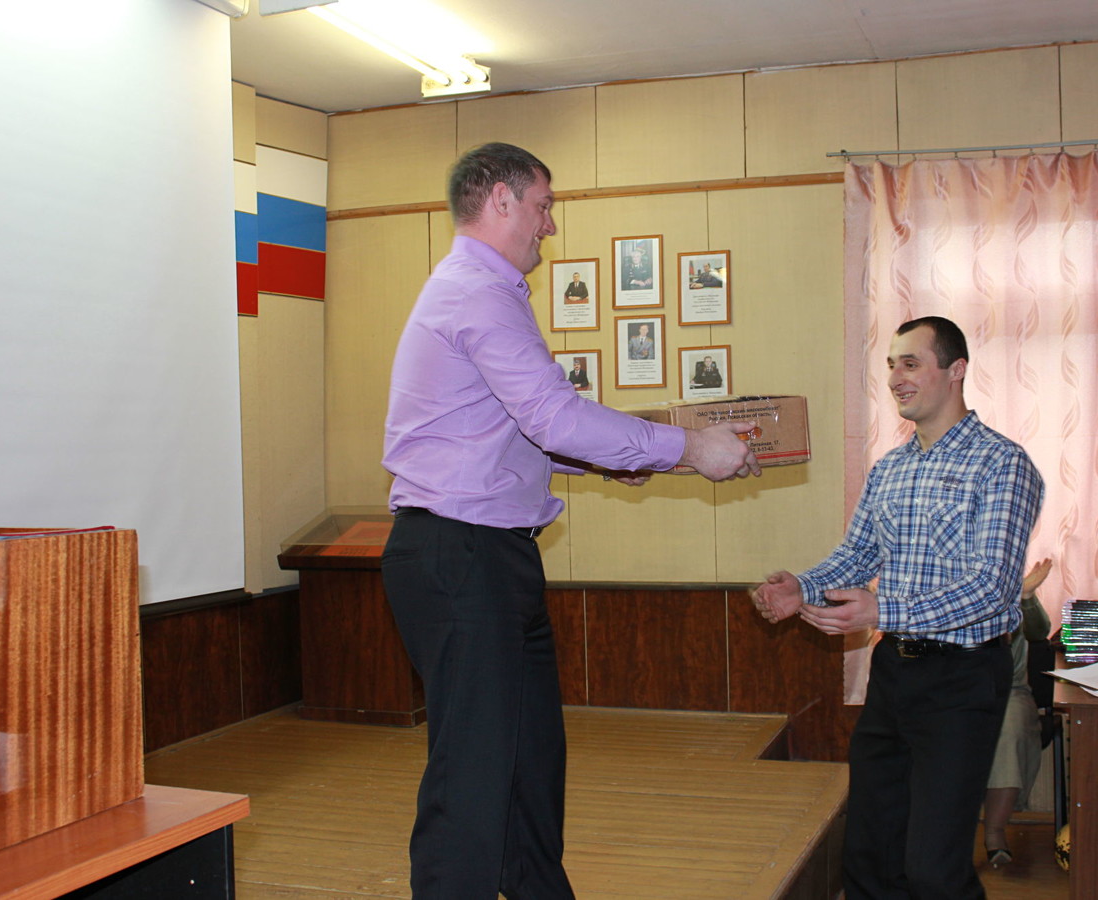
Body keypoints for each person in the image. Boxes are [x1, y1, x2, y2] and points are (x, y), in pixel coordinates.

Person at [381, 142, 761, 900]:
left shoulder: (485, 290)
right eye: (544, 205)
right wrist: (689, 448)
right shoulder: (476, 291)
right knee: (473, 780)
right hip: (462, 557)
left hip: (490, 558)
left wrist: (614, 461)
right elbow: (552, 416)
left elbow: (513, 429)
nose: (550, 226)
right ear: (500, 200)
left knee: (529, 769)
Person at [751, 315, 1044, 900]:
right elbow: (856, 557)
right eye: (890, 364)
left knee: (934, 869)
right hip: (894, 674)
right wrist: (801, 588)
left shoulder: (1003, 464)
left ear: (956, 371)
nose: (895, 377)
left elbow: (991, 588)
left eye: (911, 363)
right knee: (870, 856)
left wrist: (881, 612)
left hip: (963, 679)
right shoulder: (891, 467)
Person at [982, 557, 1052, 868]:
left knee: (1008, 729)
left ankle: (995, 831)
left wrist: (1025, 596)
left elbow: (1039, 632)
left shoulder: (1009, 586)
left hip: (1007, 691)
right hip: (950, 691)